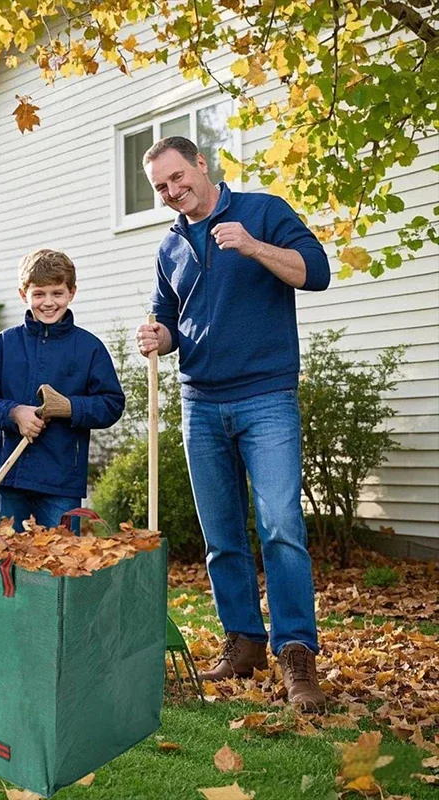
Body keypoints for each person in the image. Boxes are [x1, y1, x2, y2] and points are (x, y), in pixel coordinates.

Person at [135, 137, 330, 711]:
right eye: (161, 187)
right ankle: (244, 643)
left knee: (280, 527)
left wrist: (252, 246)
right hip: (200, 403)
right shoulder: (170, 245)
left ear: (202, 163)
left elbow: (316, 273)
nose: (172, 191)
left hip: (266, 396)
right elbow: (169, 321)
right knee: (221, 536)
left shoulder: (262, 212)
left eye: (178, 177)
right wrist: (159, 337)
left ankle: (296, 652)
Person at [0, 249, 125, 531]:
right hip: (11, 475)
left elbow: (112, 404)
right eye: (39, 294)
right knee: (11, 553)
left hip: (61, 480)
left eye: (57, 293)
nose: (49, 302)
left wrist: (70, 408)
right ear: (23, 294)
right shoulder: (5, 344)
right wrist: (14, 412)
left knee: (62, 555)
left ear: (72, 292)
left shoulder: (89, 348)